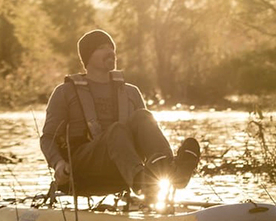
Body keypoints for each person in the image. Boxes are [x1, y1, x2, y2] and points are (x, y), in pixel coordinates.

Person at [40, 29, 200, 205]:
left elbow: (145, 135)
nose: (110, 51)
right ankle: (142, 183)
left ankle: (172, 171)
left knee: (143, 116)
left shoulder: (131, 92)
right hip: (84, 167)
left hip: (124, 165)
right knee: (116, 130)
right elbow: (48, 138)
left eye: (112, 47)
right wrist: (58, 164)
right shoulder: (65, 92)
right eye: (102, 47)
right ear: (87, 57)